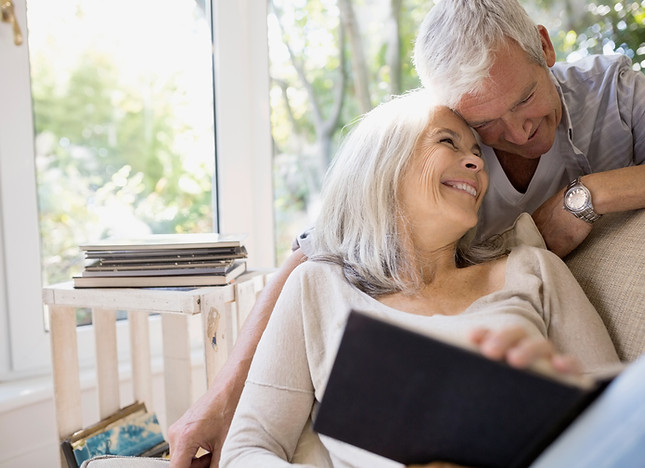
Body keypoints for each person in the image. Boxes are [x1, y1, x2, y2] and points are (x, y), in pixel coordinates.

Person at [168, 1, 645, 464]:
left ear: (544, 47)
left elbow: (617, 421)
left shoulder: (611, 102)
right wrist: (219, 399)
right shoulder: (327, 283)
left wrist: (588, 195)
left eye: (524, 99)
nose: (515, 134)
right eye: (480, 127)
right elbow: (320, 247)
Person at [218, 89, 621, 467]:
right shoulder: (317, 286)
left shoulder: (535, 271)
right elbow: (248, 450)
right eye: (448, 142)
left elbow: (619, 428)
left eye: (476, 152)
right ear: (382, 165)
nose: (478, 163)